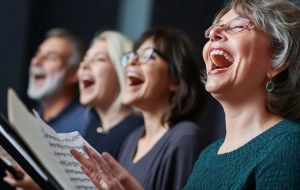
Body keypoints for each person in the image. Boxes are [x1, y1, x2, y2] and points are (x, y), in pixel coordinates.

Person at [73, 0, 300, 189]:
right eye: (213, 30)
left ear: (277, 59)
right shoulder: (208, 156)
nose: (215, 33)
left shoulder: (287, 145)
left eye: (238, 26)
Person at [71, 27, 210, 190]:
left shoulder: (185, 137)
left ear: (176, 79)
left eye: (147, 56)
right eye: (131, 56)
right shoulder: (132, 139)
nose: (131, 62)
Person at [78, 30, 143, 157]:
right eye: (85, 59)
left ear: (122, 72)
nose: (84, 65)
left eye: (99, 59)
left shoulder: (137, 131)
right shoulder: (93, 123)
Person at [26, 28, 99, 135]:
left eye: (51, 57)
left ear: (73, 74)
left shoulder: (87, 123)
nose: (36, 61)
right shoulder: (27, 119)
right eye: (37, 54)